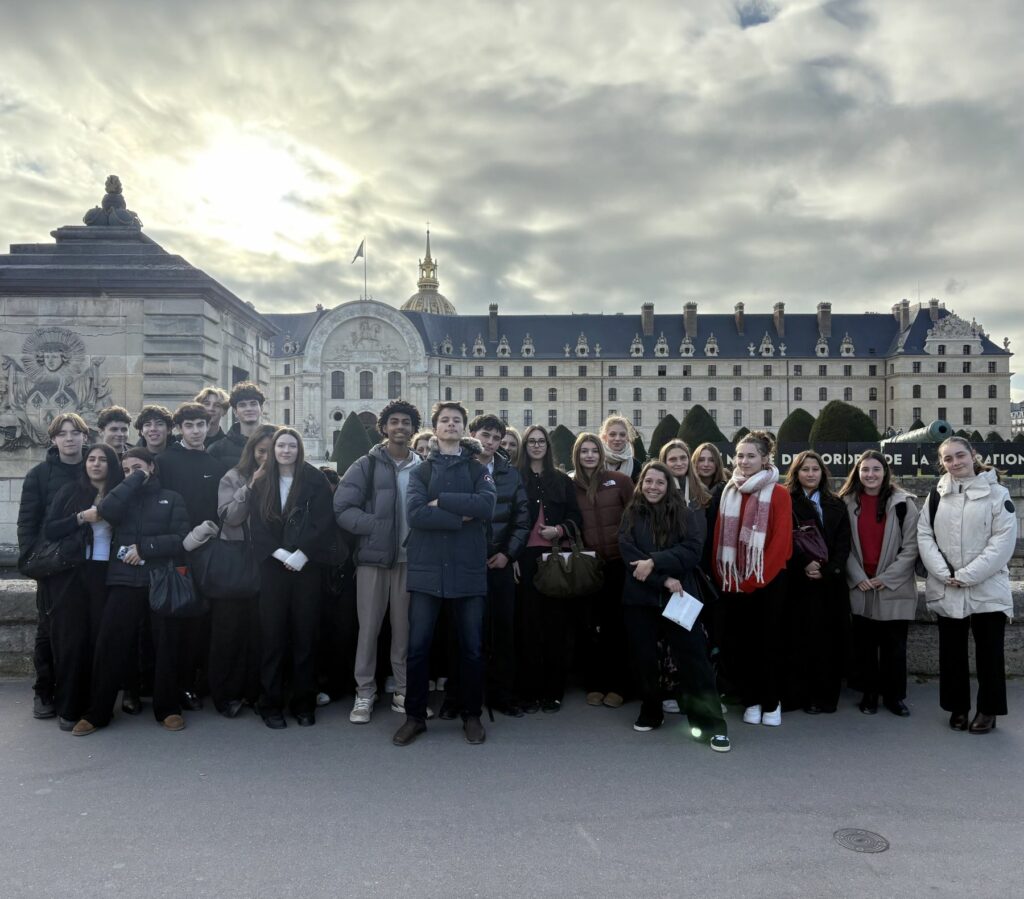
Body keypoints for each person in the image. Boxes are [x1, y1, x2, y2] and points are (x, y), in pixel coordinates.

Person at [392, 401, 496, 746]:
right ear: (435, 429)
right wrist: (460, 515)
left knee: (472, 649)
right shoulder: (421, 471)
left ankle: (471, 715)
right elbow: (416, 514)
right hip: (428, 568)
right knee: (418, 648)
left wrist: (441, 501)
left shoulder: (478, 469)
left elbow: (486, 506)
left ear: (464, 429)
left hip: (467, 568)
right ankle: (414, 717)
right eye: (445, 420)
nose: (451, 424)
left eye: (457, 420)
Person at [71, 448, 190, 735]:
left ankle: (168, 708)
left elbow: (180, 537)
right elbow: (107, 511)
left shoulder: (172, 498)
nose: (130, 474)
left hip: (159, 579)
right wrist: (133, 480)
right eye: (125, 470)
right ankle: (97, 712)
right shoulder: (120, 497)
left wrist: (146, 549)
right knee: (110, 644)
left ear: (152, 467)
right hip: (123, 580)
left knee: (165, 645)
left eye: (137, 467)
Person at [618, 461, 730, 752]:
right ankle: (651, 711)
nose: (653, 487)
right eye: (648, 481)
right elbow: (629, 555)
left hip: (680, 597)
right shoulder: (631, 513)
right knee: (644, 659)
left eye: (660, 482)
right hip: (641, 598)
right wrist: (663, 579)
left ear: (669, 486)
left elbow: (692, 550)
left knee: (694, 660)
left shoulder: (686, 513)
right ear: (641, 484)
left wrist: (655, 561)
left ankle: (711, 725)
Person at [917, 436, 1017, 734]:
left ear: (973, 455)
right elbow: (924, 534)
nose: (955, 462)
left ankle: (989, 710)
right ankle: (957, 707)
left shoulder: (998, 493)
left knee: (990, 653)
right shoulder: (936, 494)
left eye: (960, 455)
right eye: (948, 458)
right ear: (942, 463)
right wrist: (942, 572)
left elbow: (1003, 543)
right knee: (951, 653)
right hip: (947, 584)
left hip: (986, 586)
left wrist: (966, 575)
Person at [334, 399, 423, 724]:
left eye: (406, 422)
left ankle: (403, 690)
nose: (400, 427)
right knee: (369, 630)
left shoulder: (423, 467)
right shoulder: (365, 464)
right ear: (383, 428)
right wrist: (376, 526)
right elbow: (342, 508)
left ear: (414, 429)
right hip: (373, 561)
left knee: (404, 632)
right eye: (394, 422)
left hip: (410, 562)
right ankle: (365, 692)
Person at [440, 414, 530, 718]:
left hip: (498, 562)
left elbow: (522, 520)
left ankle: (501, 695)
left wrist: (508, 554)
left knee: (502, 632)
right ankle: (456, 697)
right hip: (464, 563)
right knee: (459, 633)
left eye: (496, 438)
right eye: (485, 436)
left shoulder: (510, 474)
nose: (490, 443)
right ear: (473, 434)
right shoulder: (456, 467)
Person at [249, 427, 335, 729]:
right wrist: (280, 554)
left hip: (306, 568)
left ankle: (304, 703)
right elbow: (257, 526)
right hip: (273, 568)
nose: (286, 451)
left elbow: (324, 521)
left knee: (305, 636)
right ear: (273, 450)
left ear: (299, 449)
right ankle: (270, 703)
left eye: (292, 446)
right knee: (272, 636)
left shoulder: (315, 479)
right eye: (281, 446)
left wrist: (303, 553)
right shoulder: (261, 482)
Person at [41, 444, 124, 729]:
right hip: (73, 572)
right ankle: (68, 706)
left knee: (100, 641)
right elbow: (50, 529)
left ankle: (96, 708)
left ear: (112, 465)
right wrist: (80, 518)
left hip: (107, 573)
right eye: (91, 459)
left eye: (103, 460)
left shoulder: (120, 495)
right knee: (71, 640)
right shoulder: (70, 491)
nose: (96, 464)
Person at [713, 431, 792, 727]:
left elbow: (781, 543)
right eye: (740, 455)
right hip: (734, 582)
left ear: (765, 458)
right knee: (742, 644)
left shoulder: (779, 493)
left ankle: (771, 701)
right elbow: (719, 537)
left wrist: (753, 581)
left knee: (769, 643)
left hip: (768, 581)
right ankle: (751, 700)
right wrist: (724, 575)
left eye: (751, 456)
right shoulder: (729, 491)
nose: (744, 461)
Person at [157, 402, 229, 710]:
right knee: (174, 623)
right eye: (190, 425)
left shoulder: (215, 464)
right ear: (179, 429)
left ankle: (196, 683)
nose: (196, 431)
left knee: (201, 621)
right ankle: (174, 685)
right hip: (173, 551)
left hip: (206, 551)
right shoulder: (164, 461)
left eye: (201, 425)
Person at [17, 412, 88, 720]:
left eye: (75, 432)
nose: (69, 438)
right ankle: (44, 691)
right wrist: (32, 559)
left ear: (85, 436)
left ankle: (78, 692)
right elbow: (27, 522)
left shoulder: (94, 466)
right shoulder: (39, 475)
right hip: (53, 564)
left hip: (89, 564)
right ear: (54, 439)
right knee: (47, 630)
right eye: (63, 433)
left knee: (83, 631)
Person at [839, 450, 920, 717]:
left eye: (876, 469)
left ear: (885, 472)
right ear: (858, 473)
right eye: (865, 469)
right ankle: (869, 694)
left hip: (893, 585)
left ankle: (894, 697)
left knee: (894, 647)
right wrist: (857, 576)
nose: (870, 474)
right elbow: (842, 545)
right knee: (864, 647)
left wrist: (887, 578)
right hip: (861, 585)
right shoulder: (846, 502)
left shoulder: (904, 504)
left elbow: (911, 547)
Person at [516, 424, 583, 713]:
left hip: (554, 557)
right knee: (528, 625)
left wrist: (559, 530)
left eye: (541, 441)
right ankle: (530, 690)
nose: (536, 445)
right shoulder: (516, 477)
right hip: (526, 557)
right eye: (531, 441)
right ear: (525, 446)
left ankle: (553, 690)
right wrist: (512, 556)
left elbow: (576, 517)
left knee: (556, 625)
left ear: (547, 445)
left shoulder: (561, 480)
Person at [212, 424, 277, 717]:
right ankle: (226, 694)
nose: (266, 458)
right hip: (237, 561)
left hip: (269, 563)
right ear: (252, 451)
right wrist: (251, 486)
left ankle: (255, 691)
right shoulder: (233, 477)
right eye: (261, 451)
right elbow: (231, 517)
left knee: (261, 631)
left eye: (271, 451)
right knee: (230, 631)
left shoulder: (286, 478)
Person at [783, 450, 851, 714]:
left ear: (823, 472)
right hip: (799, 581)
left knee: (828, 641)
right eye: (805, 469)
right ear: (796, 473)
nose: (810, 474)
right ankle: (801, 694)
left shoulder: (836, 503)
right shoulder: (786, 501)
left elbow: (844, 543)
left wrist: (828, 570)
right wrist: (804, 563)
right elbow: (783, 538)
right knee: (800, 639)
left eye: (815, 469)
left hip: (830, 582)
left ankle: (825, 696)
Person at [570, 432, 633, 709]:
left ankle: (619, 684)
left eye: (594, 450)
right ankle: (595, 682)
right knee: (589, 625)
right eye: (584, 451)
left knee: (617, 625)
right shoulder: (570, 485)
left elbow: (635, 517)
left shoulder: (619, 481)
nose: (589, 456)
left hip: (618, 563)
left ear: (601, 453)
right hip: (588, 564)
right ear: (577, 455)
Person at [209, 381, 266, 468]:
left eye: (253, 404)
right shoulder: (218, 449)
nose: (248, 409)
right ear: (235, 412)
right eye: (242, 405)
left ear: (261, 408)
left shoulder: (276, 441)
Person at [660, 439, 711, 508]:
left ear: (689, 460)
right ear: (664, 462)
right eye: (673, 459)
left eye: (683, 458)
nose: (679, 463)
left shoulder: (702, 491)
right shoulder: (658, 492)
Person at [599, 415, 640, 483]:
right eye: (612, 434)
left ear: (627, 437)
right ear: (605, 437)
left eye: (622, 435)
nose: (617, 439)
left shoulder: (636, 466)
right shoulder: (597, 462)